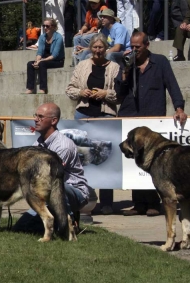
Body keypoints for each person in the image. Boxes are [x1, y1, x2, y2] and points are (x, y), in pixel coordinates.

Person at [116, 31, 188, 217]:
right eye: (131, 47)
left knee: (153, 160)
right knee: (135, 160)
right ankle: (138, 203)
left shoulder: (160, 62)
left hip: (152, 116)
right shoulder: (127, 63)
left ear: (147, 45)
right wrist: (124, 72)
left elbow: (172, 85)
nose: (134, 50)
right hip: (130, 114)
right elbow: (119, 92)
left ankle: (153, 202)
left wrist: (179, 107)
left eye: (137, 47)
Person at [13, 102, 93, 233]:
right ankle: (57, 220)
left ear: (53, 121)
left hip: (72, 191)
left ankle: (69, 223)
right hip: (47, 193)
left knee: (57, 187)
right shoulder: (39, 143)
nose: (35, 119)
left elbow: (48, 176)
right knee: (21, 228)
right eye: (35, 115)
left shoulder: (63, 145)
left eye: (40, 116)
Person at [66, 33, 120, 215]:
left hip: (106, 116)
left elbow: (120, 93)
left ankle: (106, 202)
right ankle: (85, 200)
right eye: (95, 47)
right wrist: (82, 92)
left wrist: (106, 94)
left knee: (105, 159)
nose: (98, 51)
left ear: (106, 49)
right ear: (90, 48)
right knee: (82, 161)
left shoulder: (114, 67)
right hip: (84, 115)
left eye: (101, 48)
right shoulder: (82, 65)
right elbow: (70, 89)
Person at [25, 18, 65, 94]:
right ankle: (30, 88)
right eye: (44, 26)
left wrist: (40, 61)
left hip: (57, 61)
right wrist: (37, 61)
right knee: (30, 64)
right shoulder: (42, 37)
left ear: (53, 27)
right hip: (44, 59)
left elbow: (55, 55)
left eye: (47, 26)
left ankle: (43, 88)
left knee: (42, 64)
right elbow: (39, 52)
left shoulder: (58, 37)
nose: (45, 28)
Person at [72, 0, 108, 64]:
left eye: (94, 3)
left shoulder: (103, 8)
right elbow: (86, 25)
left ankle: (84, 57)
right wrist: (82, 31)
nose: (92, 4)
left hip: (100, 32)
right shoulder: (89, 12)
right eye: (91, 3)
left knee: (84, 38)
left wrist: (91, 30)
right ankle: (77, 56)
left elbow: (102, 23)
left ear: (99, 2)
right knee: (76, 37)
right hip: (91, 31)